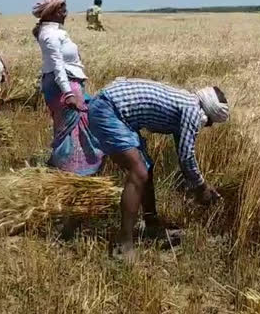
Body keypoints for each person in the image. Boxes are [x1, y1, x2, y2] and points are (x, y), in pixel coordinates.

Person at [87, 78, 229, 258]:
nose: (208, 126)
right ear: (206, 115)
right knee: (139, 172)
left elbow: (183, 153)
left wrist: (195, 184)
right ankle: (124, 244)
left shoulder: (187, 103)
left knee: (147, 168)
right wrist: (201, 186)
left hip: (112, 109)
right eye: (210, 123)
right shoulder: (192, 111)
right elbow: (187, 156)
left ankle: (151, 225)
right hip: (107, 110)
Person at [33, 0, 103, 176]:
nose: (66, 13)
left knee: (76, 126)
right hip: (63, 86)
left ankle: (70, 168)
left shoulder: (55, 32)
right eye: (63, 9)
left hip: (69, 83)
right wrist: (68, 93)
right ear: (53, 12)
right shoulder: (50, 34)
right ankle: (72, 171)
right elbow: (57, 65)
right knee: (71, 129)